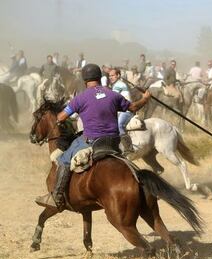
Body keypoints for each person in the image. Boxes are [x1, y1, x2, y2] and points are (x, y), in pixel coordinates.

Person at [35, 63, 151, 211]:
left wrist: (60, 112)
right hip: (114, 141)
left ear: (85, 80)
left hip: (92, 141)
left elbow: (61, 118)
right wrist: (146, 98)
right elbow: (133, 107)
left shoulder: (81, 98)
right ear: (100, 77)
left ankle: (56, 196)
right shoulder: (112, 94)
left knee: (63, 159)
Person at [109, 68, 134, 150]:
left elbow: (112, 100)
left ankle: (128, 147)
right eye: (109, 76)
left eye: (113, 75)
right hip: (122, 110)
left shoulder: (118, 85)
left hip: (126, 111)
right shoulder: (117, 84)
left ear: (118, 75)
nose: (110, 77)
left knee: (119, 125)